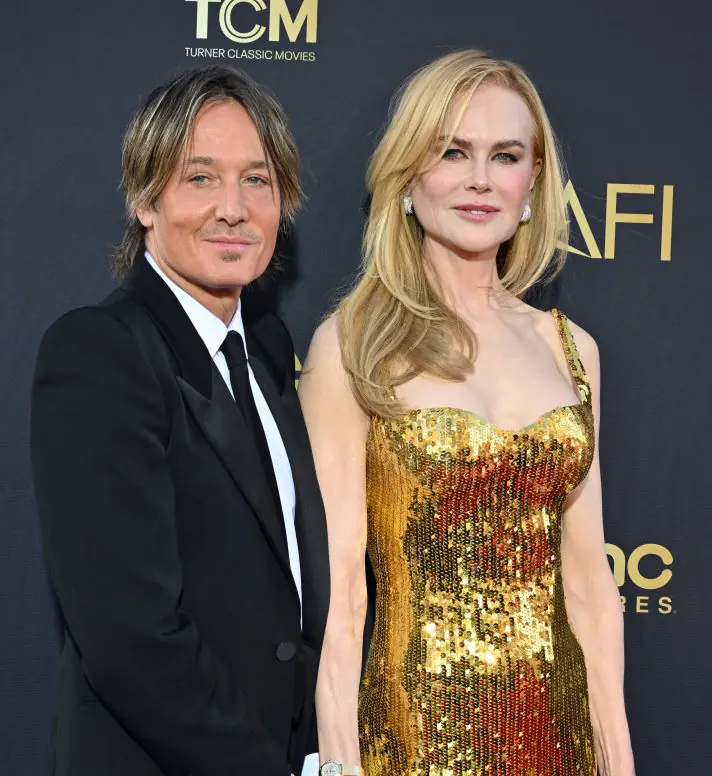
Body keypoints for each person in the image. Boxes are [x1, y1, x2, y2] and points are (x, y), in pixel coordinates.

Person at [299, 50, 635, 776]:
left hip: (560, 736)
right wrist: (340, 763)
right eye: (453, 151)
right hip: (416, 738)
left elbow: (588, 585)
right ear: (410, 176)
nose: (481, 178)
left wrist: (619, 763)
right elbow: (339, 593)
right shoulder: (353, 346)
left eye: (505, 155)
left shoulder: (574, 350)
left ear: (532, 181)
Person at [31, 66, 328, 776]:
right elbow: (132, 638)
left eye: (257, 180)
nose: (233, 208)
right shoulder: (102, 351)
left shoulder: (268, 349)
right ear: (144, 198)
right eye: (200, 178)